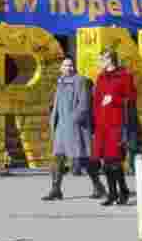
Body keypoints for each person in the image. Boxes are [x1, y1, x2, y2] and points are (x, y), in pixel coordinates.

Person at [43, 56, 106, 201]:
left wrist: (74, 120)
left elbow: (84, 105)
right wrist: (53, 119)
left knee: (85, 158)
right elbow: (58, 104)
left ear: (75, 67)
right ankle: (56, 189)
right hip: (61, 128)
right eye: (65, 66)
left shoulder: (81, 81)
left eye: (71, 65)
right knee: (58, 158)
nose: (68, 68)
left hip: (76, 128)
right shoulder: (60, 82)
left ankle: (98, 187)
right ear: (61, 68)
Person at [93, 48, 137, 207]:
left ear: (110, 59)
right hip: (101, 125)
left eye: (102, 59)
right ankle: (112, 194)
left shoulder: (125, 76)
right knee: (105, 162)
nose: (100, 62)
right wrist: (95, 123)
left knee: (115, 161)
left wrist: (114, 99)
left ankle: (123, 191)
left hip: (116, 124)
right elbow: (96, 101)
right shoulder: (101, 77)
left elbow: (131, 97)